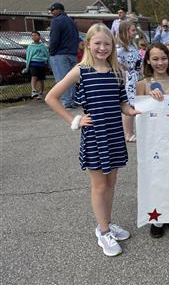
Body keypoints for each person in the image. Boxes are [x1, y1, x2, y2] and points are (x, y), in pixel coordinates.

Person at [45, 23, 139, 257]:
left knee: (111, 183)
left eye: (107, 44)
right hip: (96, 137)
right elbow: (51, 97)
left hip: (115, 134)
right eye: (97, 43)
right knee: (99, 186)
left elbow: (123, 104)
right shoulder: (80, 70)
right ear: (88, 44)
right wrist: (74, 120)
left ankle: (105, 223)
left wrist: (134, 110)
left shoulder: (117, 71)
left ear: (112, 46)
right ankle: (103, 232)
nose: (102, 47)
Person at [136, 43, 169, 238]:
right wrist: (148, 99)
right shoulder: (143, 84)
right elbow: (137, 112)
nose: (160, 62)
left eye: (163, 58)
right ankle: (156, 217)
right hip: (153, 141)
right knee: (155, 178)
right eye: (155, 59)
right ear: (148, 60)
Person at [48, 2, 80, 109]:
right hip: (72, 53)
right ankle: (74, 100)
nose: (51, 12)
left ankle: (67, 102)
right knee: (72, 78)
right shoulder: (71, 21)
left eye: (52, 10)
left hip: (60, 54)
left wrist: (51, 52)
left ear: (57, 10)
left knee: (62, 79)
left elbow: (54, 39)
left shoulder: (57, 21)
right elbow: (76, 37)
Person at [117, 21, 142, 142]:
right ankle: (128, 133)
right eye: (133, 30)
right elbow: (116, 63)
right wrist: (124, 69)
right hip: (128, 79)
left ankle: (130, 132)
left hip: (135, 77)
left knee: (134, 104)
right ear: (125, 32)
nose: (135, 32)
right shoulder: (120, 48)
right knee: (129, 105)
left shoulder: (133, 45)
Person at [23, 30, 49, 100]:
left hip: (42, 64)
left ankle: (41, 93)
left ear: (39, 37)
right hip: (33, 64)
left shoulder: (43, 46)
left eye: (35, 35)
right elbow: (28, 56)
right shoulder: (30, 47)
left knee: (41, 79)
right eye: (32, 36)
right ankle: (33, 90)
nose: (34, 37)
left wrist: (48, 63)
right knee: (34, 76)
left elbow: (47, 55)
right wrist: (27, 67)